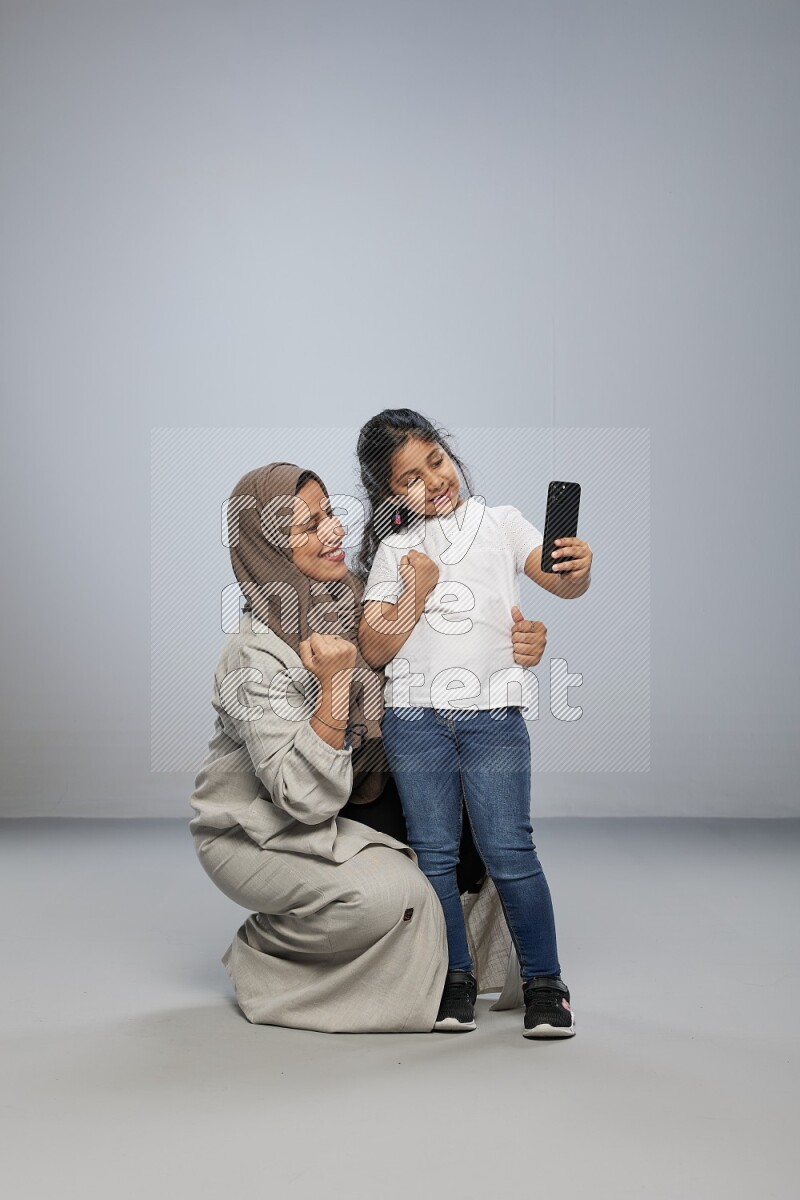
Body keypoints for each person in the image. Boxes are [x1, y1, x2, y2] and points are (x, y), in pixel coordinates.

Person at [189, 461, 546, 1034]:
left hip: (346, 798)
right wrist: (333, 687)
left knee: (479, 848)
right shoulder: (254, 658)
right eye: (305, 527)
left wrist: (519, 641)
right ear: (266, 546)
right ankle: (269, 956)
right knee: (393, 894)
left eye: (329, 513)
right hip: (260, 829)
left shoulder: (355, 596)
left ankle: (447, 972)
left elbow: (437, 649)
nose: (333, 531)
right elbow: (301, 799)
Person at [356, 410, 593, 1037]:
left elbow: (560, 581)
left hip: (491, 715)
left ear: (450, 456)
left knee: (509, 848)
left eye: (436, 461)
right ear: (388, 494)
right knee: (432, 854)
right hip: (414, 720)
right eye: (409, 478)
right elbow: (376, 648)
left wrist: (578, 566)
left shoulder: (499, 523)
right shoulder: (394, 549)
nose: (433, 481)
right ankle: (453, 978)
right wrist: (416, 592)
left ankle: (547, 985)